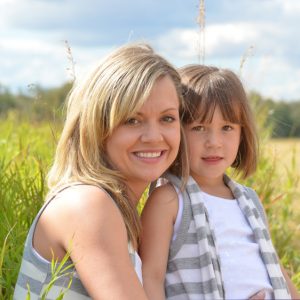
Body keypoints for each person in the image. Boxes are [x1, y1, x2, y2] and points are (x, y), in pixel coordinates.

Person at [13, 43, 189, 299]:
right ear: (96, 127)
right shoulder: (87, 204)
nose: (154, 136)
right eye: (132, 120)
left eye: (167, 118)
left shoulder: (120, 214)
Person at [139, 64, 300, 300]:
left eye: (227, 127)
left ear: (241, 133)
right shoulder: (169, 200)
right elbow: (150, 277)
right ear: (177, 131)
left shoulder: (249, 200)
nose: (214, 142)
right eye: (199, 127)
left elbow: (273, 265)